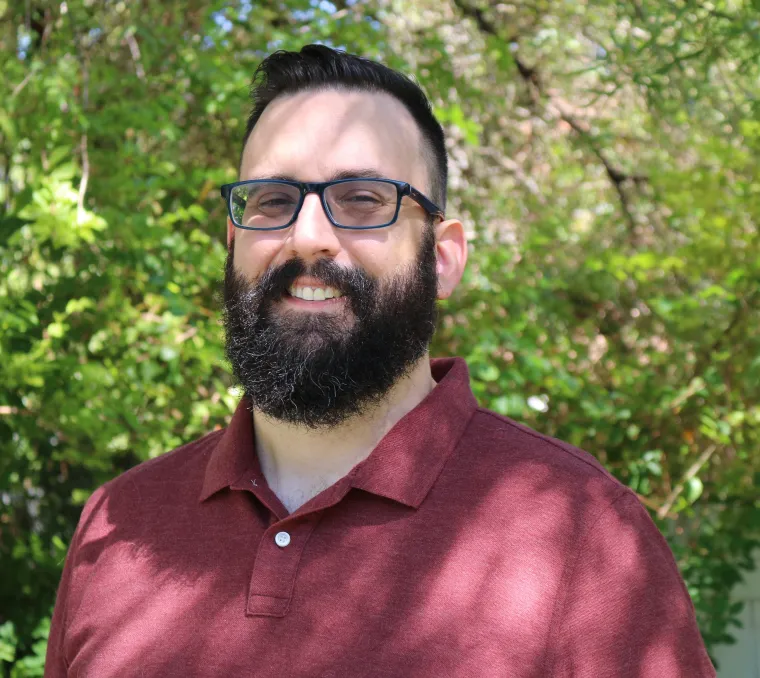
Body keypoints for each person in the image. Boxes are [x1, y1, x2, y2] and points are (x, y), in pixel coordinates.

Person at [44, 45, 716, 678]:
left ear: (443, 258)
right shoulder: (118, 522)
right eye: (273, 201)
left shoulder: (586, 535)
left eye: (362, 200)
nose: (306, 237)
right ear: (232, 239)